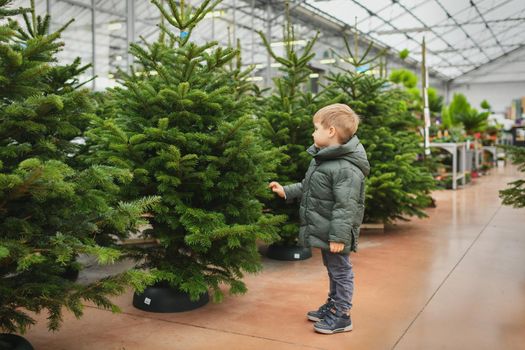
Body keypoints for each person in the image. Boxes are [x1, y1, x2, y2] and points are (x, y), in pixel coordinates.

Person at [269, 103, 370, 334]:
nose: (313, 133)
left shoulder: (345, 168)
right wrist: (286, 190)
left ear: (331, 131)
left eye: (316, 128)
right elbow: (308, 186)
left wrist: (339, 237)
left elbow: (346, 206)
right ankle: (333, 305)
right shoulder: (323, 159)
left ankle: (343, 315)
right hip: (327, 229)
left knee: (341, 270)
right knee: (333, 268)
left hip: (336, 233)